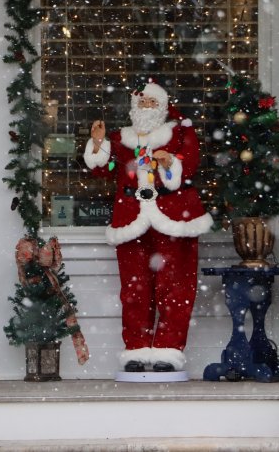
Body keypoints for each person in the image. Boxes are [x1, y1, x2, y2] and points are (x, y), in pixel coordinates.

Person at [83, 81, 213, 373]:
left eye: (152, 103)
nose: (147, 108)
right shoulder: (121, 139)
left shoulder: (179, 134)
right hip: (132, 219)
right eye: (142, 103)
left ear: (163, 107)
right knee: (134, 289)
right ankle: (137, 349)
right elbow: (105, 169)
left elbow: (189, 165)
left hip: (173, 219)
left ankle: (169, 349)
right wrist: (98, 144)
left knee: (176, 287)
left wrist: (170, 163)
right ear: (134, 108)